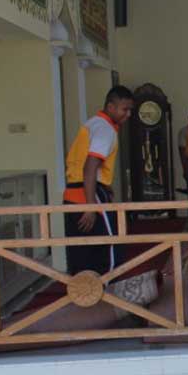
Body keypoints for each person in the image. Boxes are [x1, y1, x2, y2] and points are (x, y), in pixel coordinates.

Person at [63, 85, 134, 275]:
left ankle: (84, 295)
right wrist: (90, 206)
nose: (128, 114)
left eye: (130, 110)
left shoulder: (93, 123)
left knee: (82, 251)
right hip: (88, 194)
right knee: (110, 248)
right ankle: (108, 291)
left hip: (74, 193)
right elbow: (90, 167)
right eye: (124, 109)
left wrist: (105, 185)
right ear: (110, 107)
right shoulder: (105, 130)